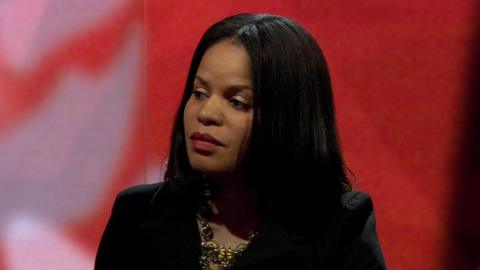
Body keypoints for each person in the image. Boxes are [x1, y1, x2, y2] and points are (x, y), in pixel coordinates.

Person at [95, 13, 387, 270]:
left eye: (237, 102)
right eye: (199, 93)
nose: (206, 113)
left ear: (288, 118)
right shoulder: (137, 214)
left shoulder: (338, 228)